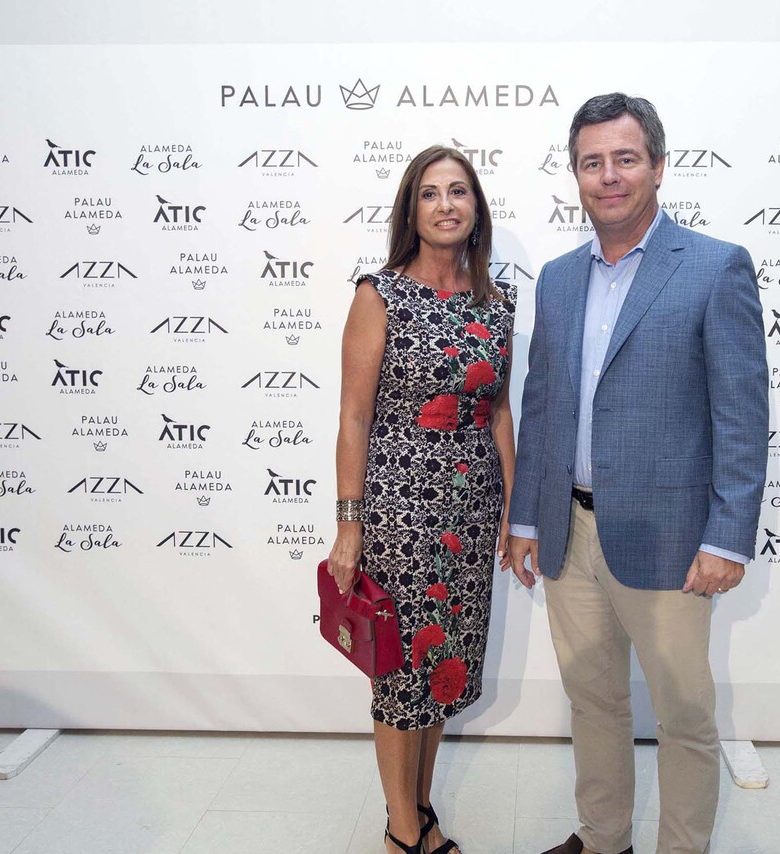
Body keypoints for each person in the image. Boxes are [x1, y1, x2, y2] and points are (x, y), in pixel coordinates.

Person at [507, 94, 768, 854]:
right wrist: (526, 518)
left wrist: (727, 538)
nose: (609, 176)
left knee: (684, 714)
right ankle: (604, 839)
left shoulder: (715, 267)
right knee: (593, 701)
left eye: (625, 159)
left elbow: (741, 416)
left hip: (671, 539)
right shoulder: (558, 279)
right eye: (592, 163)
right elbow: (542, 404)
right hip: (569, 531)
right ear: (576, 176)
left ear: (657, 165)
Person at [327, 145, 517, 854]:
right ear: (411, 210)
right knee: (400, 670)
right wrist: (350, 526)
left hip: (470, 508)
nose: (445, 205)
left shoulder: (496, 303)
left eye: (458, 191)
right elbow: (354, 417)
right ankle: (402, 832)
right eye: (430, 193)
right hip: (399, 510)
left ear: (476, 208)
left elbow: (498, 411)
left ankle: (422, 810)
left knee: (445, 668)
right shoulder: (379, 294)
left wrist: (512, 506)